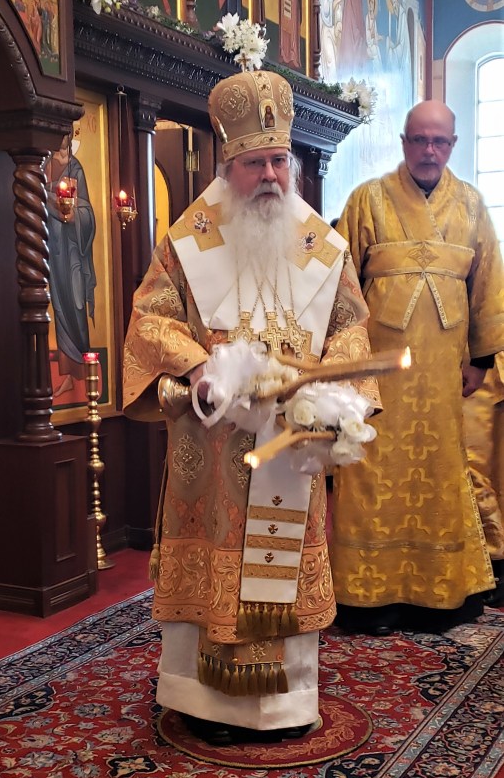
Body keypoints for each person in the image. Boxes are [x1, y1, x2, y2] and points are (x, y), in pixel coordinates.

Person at [123, 69, 379, 743]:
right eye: (255, 162)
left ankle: (286, 707)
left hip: (292, 441)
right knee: (216, 572)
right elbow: (150, 320)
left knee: (282, 573)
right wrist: (198, 366)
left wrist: (336, 396)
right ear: (227, 165)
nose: (269, 175)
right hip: (212, 448)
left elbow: (352, 327)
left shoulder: (322, 246)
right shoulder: (190, 239)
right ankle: (204, 704)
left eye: (278, 161)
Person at [332, 99, 504, 634]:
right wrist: (345, 361)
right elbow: (341, 284)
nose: (430, 150)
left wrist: (481, 359)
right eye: (420, 140)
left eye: (440, 141)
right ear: (405, 142)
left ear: (452, 145)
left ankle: (439, 591)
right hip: (376, 373)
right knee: (370, 473)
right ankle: (368, 597)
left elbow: (488, 284)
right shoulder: (367, 200)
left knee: (439, 473)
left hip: (443, 371)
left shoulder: (472, 205)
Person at [45, 133, 97, 397]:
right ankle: (68, 375)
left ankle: (86, 370)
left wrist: (72, 212)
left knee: (76, 304)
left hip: (73, 252)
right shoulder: (44, 164)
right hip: (53, 250)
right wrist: (50, 200)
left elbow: (87, 213)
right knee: (60, 307)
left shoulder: (76, 167)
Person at [464, 353, 504, 605]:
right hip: (476, 360)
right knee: (475, 467)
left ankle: (495, 562)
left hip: (483, 364)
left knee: (478, 466)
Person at [338, 0, 371, 77]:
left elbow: (360, 20)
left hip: (357, 35)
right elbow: (350, 16)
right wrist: (359, 35)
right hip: (350, 33)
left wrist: (363, 38)